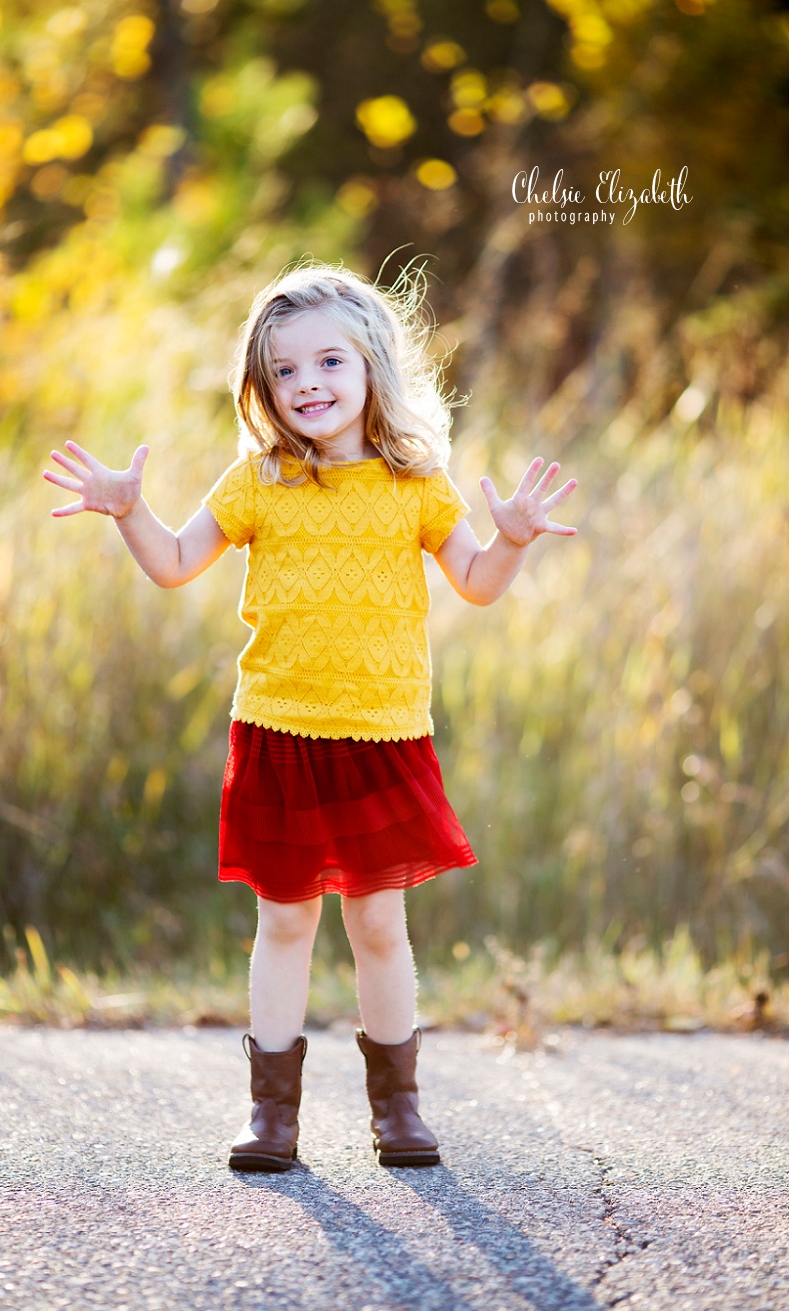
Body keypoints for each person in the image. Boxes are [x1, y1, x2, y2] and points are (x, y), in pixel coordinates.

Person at [43, 263, 577, 1173]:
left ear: (374, 366)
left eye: (329, 361)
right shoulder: (259, 482)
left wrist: (515, 539)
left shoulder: (417, 484)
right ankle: (272, 1117)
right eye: (284, 372)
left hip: (383, 737)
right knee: (285, 924)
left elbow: (479, 585)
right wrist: (129, 512)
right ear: (264, 389)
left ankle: (397, 1108)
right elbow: (174, 563)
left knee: (378, 928)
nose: (308, 386)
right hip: (280, 733)